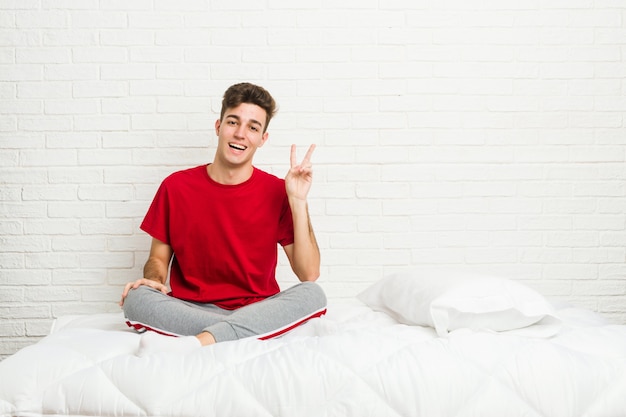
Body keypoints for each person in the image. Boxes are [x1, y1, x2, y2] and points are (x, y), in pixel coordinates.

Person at [119, 82, 327, 355]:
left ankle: (202, 340)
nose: (240, 134)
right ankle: (242, 330)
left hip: (257, 307)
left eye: (253, 127)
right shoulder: (176, 186)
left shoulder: (278, 191)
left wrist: (298, 201)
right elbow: (158, 259)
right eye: (233, 122)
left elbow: (308, 273)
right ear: (218, 126)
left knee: (313, 294)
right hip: (190, 307)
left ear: (262, 139)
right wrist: (154, 281)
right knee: (137, 298)